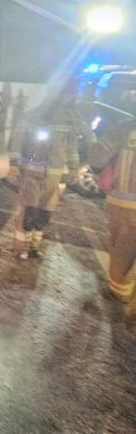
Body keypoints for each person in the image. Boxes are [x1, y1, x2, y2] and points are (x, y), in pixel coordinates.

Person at [11, 77, 92, 259]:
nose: (67, 96)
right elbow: (17, 139)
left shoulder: (72, 118)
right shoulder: (36, 114)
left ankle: (33, 247)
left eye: (70, 93)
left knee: (44, 215)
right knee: (28, 213)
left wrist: (72, 168)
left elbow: (72, 146)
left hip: (54, 177)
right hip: (32, 172)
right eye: (64, 92)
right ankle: (20, 248)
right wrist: (14, 164)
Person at [89, 113, 136, 321]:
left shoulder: (123, 129)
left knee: (122, 251)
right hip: (124, 203)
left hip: (123, 203)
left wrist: (103, 170)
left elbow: (97, 156)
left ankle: (120, 295)